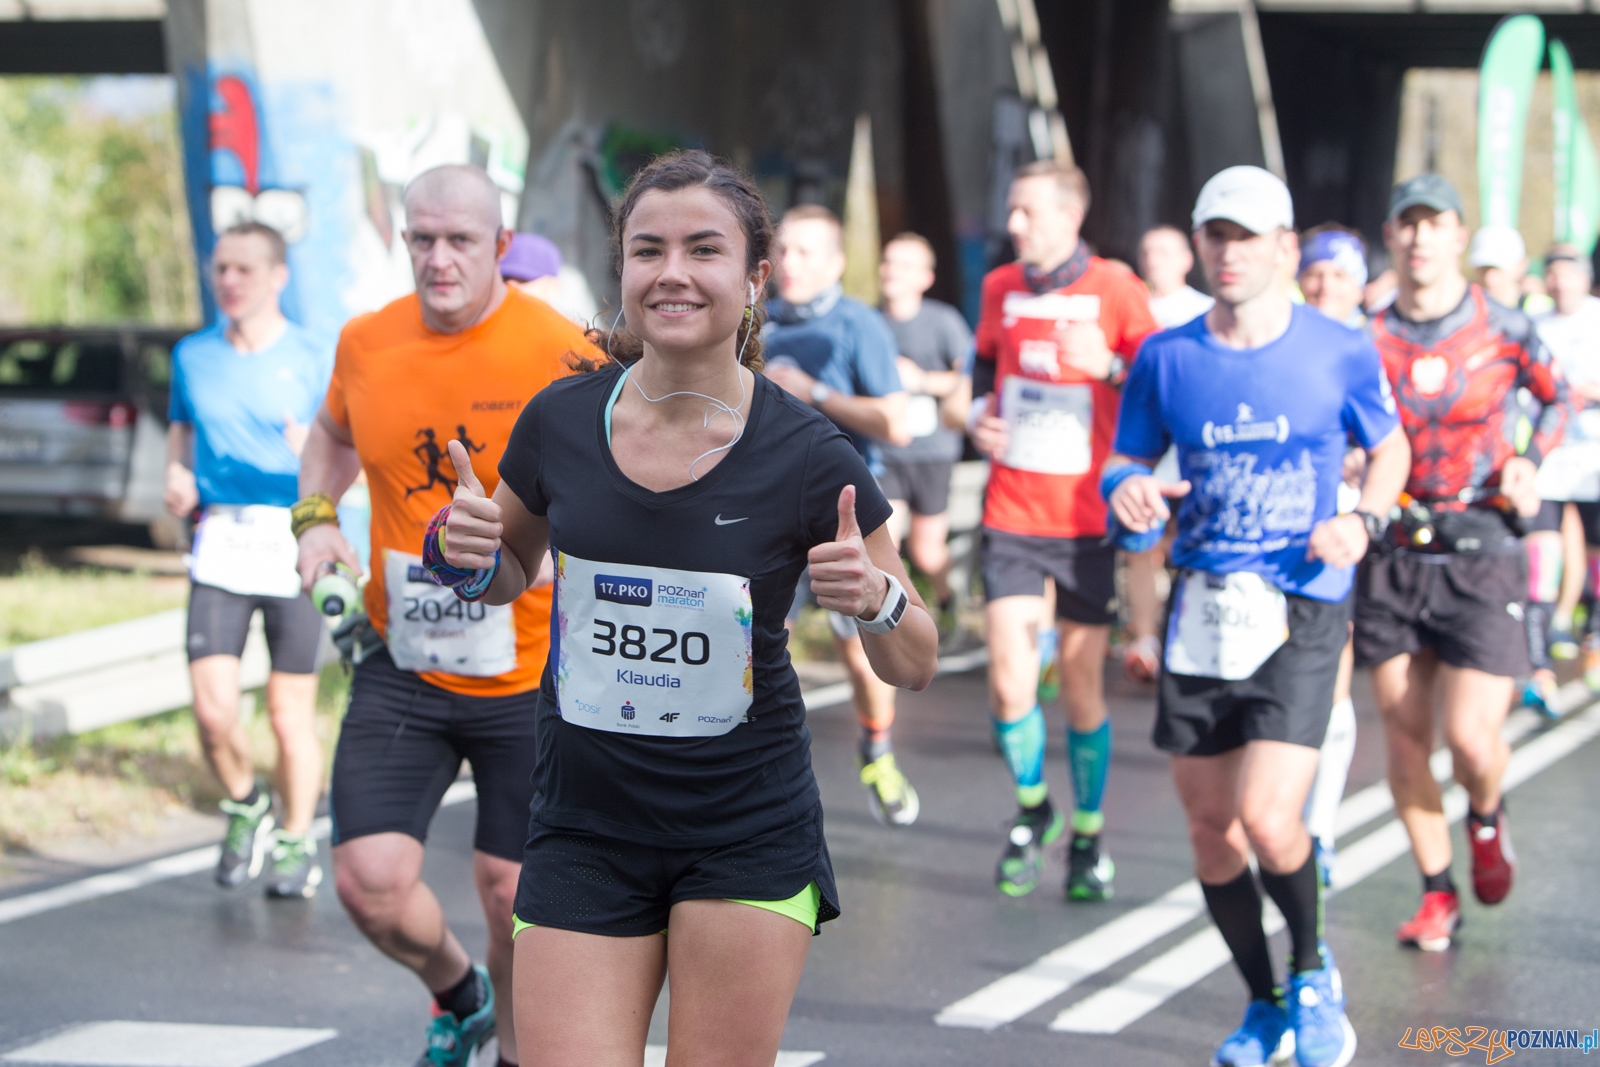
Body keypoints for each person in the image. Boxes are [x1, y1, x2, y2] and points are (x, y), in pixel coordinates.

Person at [431, 149, 938, 1067]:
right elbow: (504, 567)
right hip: (584, 823)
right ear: (621, 269)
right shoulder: (559, 421)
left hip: (745, 832)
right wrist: (463, 555)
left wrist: (877, 600)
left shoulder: (809, 454)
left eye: (703, 250)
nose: (670, 272)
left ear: (752, 280)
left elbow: (916, 660)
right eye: (646, 249)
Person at [294, 164, 600, 1067]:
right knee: (369, 882)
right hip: (406, 656)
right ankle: (457, 990)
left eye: (460, 240)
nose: (438, 258)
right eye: (420, 239)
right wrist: (315, 523)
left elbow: (624, 475)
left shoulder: (560, 350)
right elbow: (331, 437)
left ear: (501, 247)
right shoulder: (367, 341)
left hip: (533, 672)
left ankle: (511, 1050)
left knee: (513, 896)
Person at [1107, 165, 1407, 1067]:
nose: (1229, 252)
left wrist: (1364, 518)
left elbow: (1389, 449)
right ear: (1199, 244)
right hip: (1204, 605)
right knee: (1210, 828)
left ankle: (1314, 977)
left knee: (1274, 818)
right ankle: (1265, 1003)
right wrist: (1127, 492)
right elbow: (1125, 459)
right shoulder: (1168, 355)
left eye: (1247, 237)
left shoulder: (1339, 347)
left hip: (1303, 603)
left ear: (1284, 247)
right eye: (1216, 235)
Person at [1357, 174, 1568, 953]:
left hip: (1483, 547)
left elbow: (1562, 398)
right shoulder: (1364, 334)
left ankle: (1485, 814)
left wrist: (1531, 461)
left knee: (1474, 741)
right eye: (1406, 224)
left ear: (1456, 235)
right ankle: (1437, 891)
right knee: (1406, 741)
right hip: (1395, 549)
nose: (1419, 238)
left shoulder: (1506, 326)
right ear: (1392, 235)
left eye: (1434, 223)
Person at [969, 160, 1159, 900]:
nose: (1014, 224)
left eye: (1027, 212)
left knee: (1081, 684)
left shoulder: (1116, 287)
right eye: (1012, 210)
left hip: (1084, 519)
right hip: (1011, 510)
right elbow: (984, 367)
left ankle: (1087, 831)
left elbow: (1158, 381)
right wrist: (978, 416)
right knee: (1012, 681)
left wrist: (1109, 364)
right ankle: (1031, 806)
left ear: (1069, 217)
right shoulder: (999, 287)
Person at [164, 221, 333, 899]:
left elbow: (347, 451)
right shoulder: (192, 355)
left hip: (295, 542)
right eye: (221, 269)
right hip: (222, 543)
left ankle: (295, 838)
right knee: (212, 712)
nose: (229, 281)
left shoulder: (316, 355)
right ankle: (245, 802)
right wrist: (176, 473)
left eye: (244, 269)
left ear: (278, 276)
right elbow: (182, 427)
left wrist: (311, 458)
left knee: (290, 715)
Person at [762, 204, 918, 826]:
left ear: (835, 263)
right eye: (785, 251)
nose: (791, 264)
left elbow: (897, 424)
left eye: (806, 253)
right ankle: (755, 767)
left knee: (860, 649)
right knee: (760, 636)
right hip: (767, 507)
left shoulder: (861, 325)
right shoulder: (757, 320)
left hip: (847, 513)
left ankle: (877, 748)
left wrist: (815, 393)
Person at [877, 231, 973, 631]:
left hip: (933, 452)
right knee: (888, 546)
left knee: (927, 550)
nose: (891, 271)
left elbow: (967, 380)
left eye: (904, 264)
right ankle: (905, 624)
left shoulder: (943, 320)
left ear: (925, 277)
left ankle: (949, 602)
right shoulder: (870, 322)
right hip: (886, 453)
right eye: (887, 262)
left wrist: (921, 381)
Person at [1533, 244, 1600, 683]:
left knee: (1595, 550)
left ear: (1584, 277)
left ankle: (1594, 638)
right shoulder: (1535, 326)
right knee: (1542, 551)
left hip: (1594, 458)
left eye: (1568, 273)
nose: (1560, 282)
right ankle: (1539, 656)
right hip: (1550, 461)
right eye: (1553, 274)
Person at [499, 231, 599, 327]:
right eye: (504, 278)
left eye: (523, 280)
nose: (510, 284)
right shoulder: (489, 330)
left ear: (553, 286)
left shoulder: (577, 338)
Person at [1139, 224, 1214, 329]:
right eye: (1146, 253)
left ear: (1187, 259)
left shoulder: (1207, 310)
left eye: (1162, 253)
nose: (1152, 261)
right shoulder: (1133, 307)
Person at [1298, 226, 1369, 329]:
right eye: (1315, 274)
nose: (1326, 285)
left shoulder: (1377, 342)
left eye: (1339, 275)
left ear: (1359, 290)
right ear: (1301, 283)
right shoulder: (1276, 338)